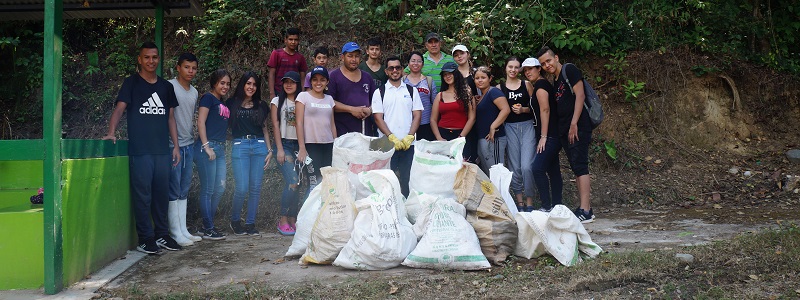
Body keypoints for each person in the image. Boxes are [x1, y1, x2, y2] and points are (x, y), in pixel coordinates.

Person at [102, 42, 182, 254]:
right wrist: (111, 132)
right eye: (146, 57)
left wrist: (176, 146)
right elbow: (120, 109)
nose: (151, 61)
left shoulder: (166, 87)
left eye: (154, 57)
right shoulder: (131, 83)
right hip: (140, 150)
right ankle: (146, 238)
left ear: (159, 59)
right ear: (139, 59)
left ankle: (162, 235)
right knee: (143, 195)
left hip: (162, 150)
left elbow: (171, 118)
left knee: (161, 195)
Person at [537, 46, 594, 222]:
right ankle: (583, 208)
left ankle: (586, 210)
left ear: (556, 58)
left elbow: (580, 95)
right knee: (576, 167)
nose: (547, 65)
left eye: (549, 61)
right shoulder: (556, 79)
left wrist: (574, 123)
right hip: (567, 130)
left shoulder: (569, 69)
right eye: (543, 64)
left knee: (581, 166)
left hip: (578, 126)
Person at [227, 72, 273, 236]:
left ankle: (250, 223)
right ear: (242, 85)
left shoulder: (261, 105)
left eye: (254, 84)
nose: (251, 87)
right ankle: (235, 221)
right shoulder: (231, 103)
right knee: (242, 187)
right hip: (240, 146)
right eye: (248, 83)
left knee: (255, 187)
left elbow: (264, 128)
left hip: (259, 146)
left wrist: (269, 150)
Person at [372, 56, 423, 197]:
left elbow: (417, 115)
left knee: (408, 178)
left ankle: (407, 207)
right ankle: (390, 210)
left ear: (402, 70)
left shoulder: (412, 91)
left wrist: (410, 136)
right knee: (388, 179)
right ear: (386, 71)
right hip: (387, 145)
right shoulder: (380, 92)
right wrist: (391, 137)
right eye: (391, 68)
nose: (395, 70)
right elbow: (377, 118)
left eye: (398, 67)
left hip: (408, 144)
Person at [167, 52, 202, 246]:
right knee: (174, 187)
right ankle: (174, 232)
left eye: (194, 68)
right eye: (187, 67)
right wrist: (175, 145)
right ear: (178, 67)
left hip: (189, 144)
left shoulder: (194, 92)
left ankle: (183, 229)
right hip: (173, 146)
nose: (190, 71)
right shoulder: (169, 86)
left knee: (184, 188)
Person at [523, 57, 562, 212]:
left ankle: (547, 206)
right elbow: (537, 110)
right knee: (553, 170)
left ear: (539, 69)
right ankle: (557, 205)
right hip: (550, 134)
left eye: (530, 69)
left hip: (550, 135)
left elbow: (545, 110)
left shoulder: (540, 86)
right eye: (525, 70)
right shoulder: (540, 85)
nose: (527, 72)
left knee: (537, 168)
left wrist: (544, 137)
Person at [195, 69, 231, 240]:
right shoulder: (207, 98)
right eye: (222, 83)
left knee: (220, 187)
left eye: (227, 84)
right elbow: (201, 121)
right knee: (208, 189)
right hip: (207, 148)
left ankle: (206, 225)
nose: (225, 86)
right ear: (214, 83)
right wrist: (206, 145)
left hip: (220, 149)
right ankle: (208, 227)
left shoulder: (221, 101)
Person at [497, 56, 536, 212]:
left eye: (516, 67)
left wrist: (524, 109)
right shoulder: (499, 88)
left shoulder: (526, 85)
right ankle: (520, 202)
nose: (513, 70)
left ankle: (530, 200)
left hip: (527, 127)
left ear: (520, 69)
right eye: (510, 67)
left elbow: (537, 108)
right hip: (509, 127)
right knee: (515, 167)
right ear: (505, 68)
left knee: (527, 166)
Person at [296, 66, 337, 193]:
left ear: (327, 82)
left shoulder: (329, 99)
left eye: (322, 80)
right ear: (310, 81)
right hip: (311, 145)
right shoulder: (303, 97)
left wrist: (336, 145)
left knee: (327, 182)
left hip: (329, 145)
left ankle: (324, 212)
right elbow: (299, 122)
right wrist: (302, 147)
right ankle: (309, 213)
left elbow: (332, 124)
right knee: (314, 184)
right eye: (315, 79)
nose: (318, 83)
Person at [271, 71, 302, 236]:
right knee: (292, 181)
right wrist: (280, 149)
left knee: (298, 185)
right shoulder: (277, 101)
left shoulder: (302, 100)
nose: (289, 85)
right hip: (284, 144)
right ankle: (282, 219)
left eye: (293, 82)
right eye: (286, 82)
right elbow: (275, 125)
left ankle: (292, 218)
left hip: (299, 145)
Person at [430, 61, 476, 162]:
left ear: (456, 74)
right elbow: (433, 119)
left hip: (461, 135)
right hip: (443, 135)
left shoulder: (467, 92)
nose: (448, 76)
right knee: (444, 167)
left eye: (450, 73)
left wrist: (461, 137)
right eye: (445, 75)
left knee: (462, 167)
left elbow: (472, 118)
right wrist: (439, 137)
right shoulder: (440, 95)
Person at [328, 42, 376, 136]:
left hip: (364, 130)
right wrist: (351, 109)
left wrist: (369, 110)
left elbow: (375, 100)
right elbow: (329, 102)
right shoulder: (334, 76)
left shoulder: (367, 77)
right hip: (342, 130)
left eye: (357, 56)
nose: (354, 59)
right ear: (342, 57)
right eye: (350, 56)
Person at [473, 66, 510, 175]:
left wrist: (493, 126)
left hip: (495, 138)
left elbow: (506, 109)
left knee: (497, 171)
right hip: (484, 138)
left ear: (490, 78)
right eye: (477, 78)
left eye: (483, 77)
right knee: (490, 172)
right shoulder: (483, 95)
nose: (480, 80)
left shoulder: (494, 92)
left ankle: (502, 192)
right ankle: (496, 192)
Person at [403, 51, 437, 141]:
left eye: (419, 61)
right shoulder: (402, 81)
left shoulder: (428, 81)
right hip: (406, 124)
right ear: (408, 64)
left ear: (422, 64)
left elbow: (435, 103)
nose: (416, 63)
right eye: (413, 61)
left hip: (426, 123)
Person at [268, 27, 307, 100]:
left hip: (295, 93)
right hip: (278, 91)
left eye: (296, 40)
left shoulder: (300, 57)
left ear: (298, 41)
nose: (293, 42)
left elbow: (302, 77)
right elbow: (271, 74)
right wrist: (272, 93)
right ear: (285, 40)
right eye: (290, 39)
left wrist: (302, 93)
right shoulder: (276, 54)